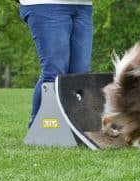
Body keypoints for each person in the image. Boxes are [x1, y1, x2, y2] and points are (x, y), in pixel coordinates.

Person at [18, 0, 93, 128]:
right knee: (54, 73)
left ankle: (73, 131)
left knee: (80, 74)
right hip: (45, 5)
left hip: (83, 6)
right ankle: (39, 129)